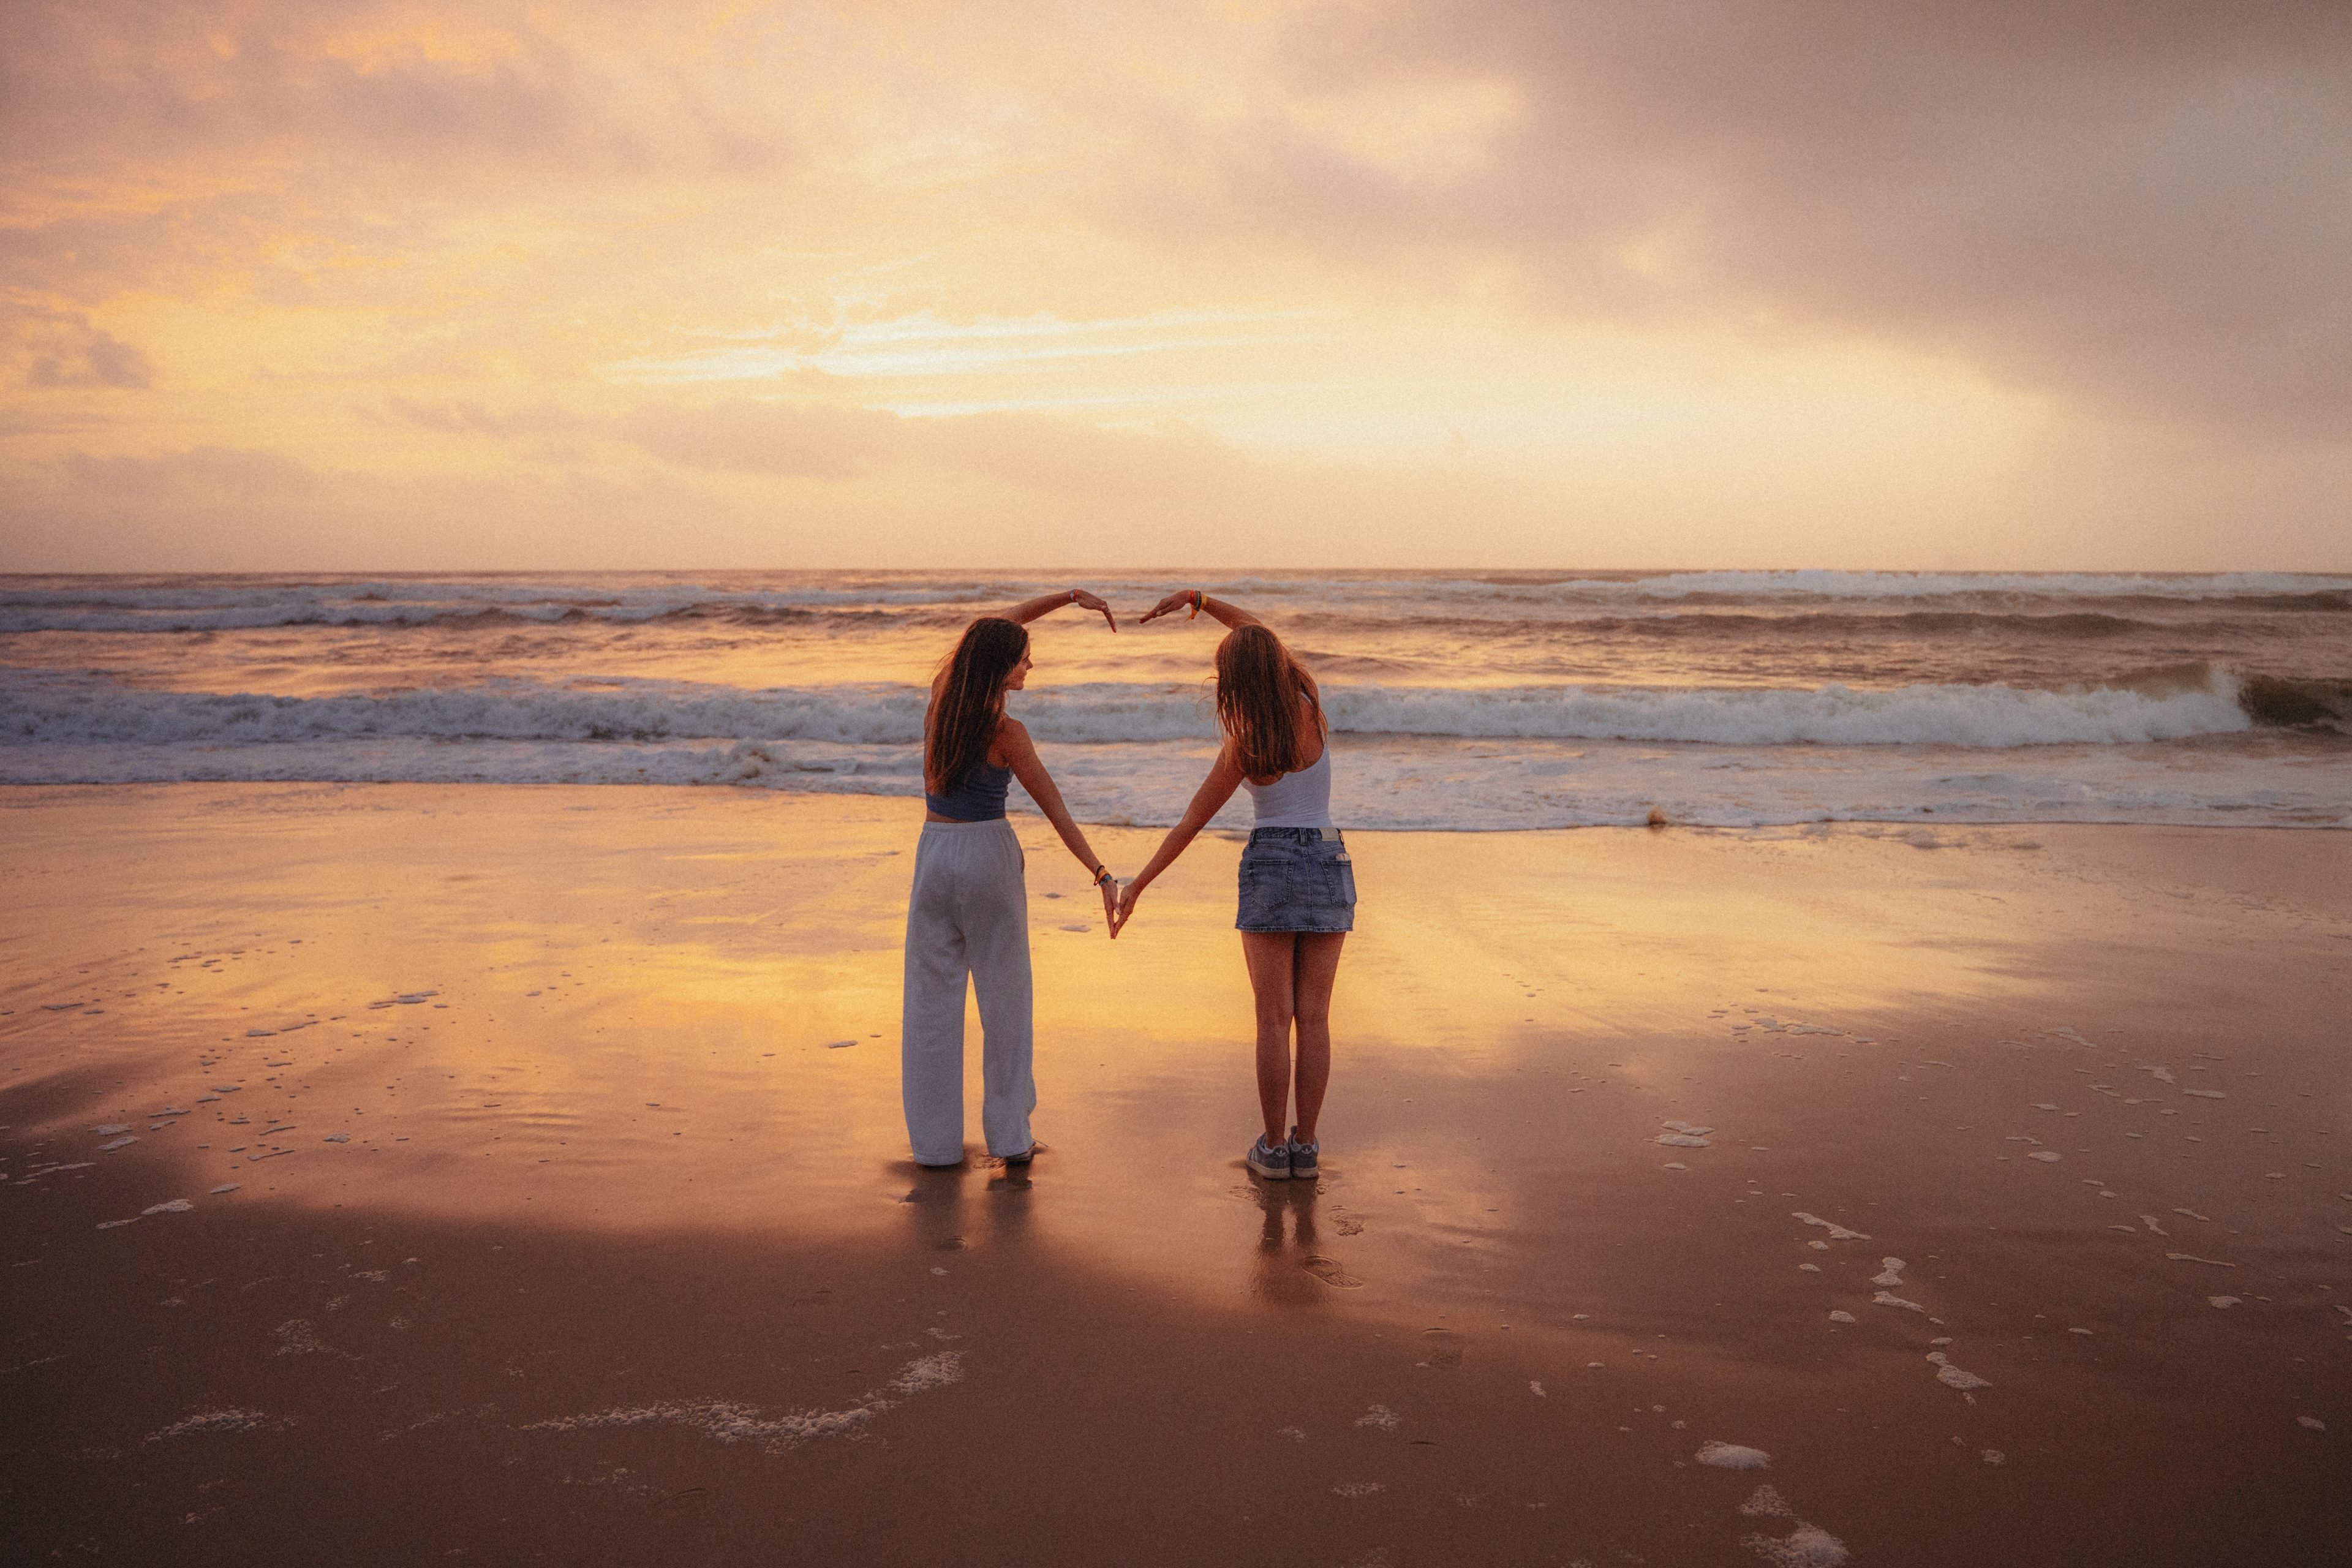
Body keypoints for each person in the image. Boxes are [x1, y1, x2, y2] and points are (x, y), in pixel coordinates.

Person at [1112, 590, 1354, 1182]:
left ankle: (1274, 1150)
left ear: (1234, 682)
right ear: (1277, 664)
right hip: (1328, 857)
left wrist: (1138, 884)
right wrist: (1202, 600)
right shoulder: (1310, 705)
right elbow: (1258, 633)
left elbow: (1191, 823)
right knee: (1315, 1018)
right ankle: (1308, 1147)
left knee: (1273, 1018)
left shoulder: (1245, 745)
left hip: (1270, 860)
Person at [902, 590, 1120, 1170]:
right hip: (988, 859)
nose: (1031, 664)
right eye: (1024, 658)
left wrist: (1070, 597)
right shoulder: (1007, 734)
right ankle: (1008, 1137)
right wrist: (1100, 872)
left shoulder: (938, 704)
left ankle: (935, 1146)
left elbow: (990, 628)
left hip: (934, 854)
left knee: (930, 1002)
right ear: (1000, 667)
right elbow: (1058, 812)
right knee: (1006, 1000)